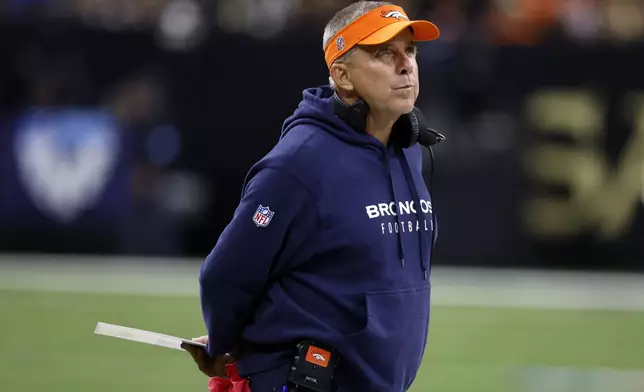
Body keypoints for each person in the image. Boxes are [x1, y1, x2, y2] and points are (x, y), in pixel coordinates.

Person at [183, 1, 441, 391]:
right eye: (383, 53)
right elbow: (226, 274)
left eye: (410, 51)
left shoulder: (406, 148)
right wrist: (223, 343)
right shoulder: (298, 164)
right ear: (343, 75)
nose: (405, 65)